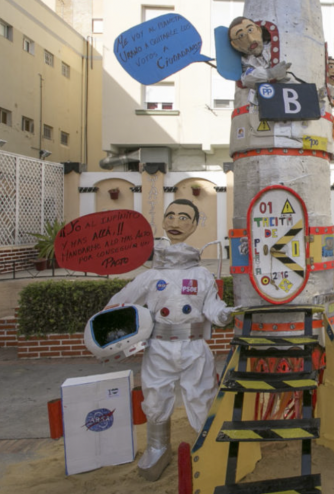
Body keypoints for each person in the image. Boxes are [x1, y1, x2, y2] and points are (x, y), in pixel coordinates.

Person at [104, 199, 232, 480]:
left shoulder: (201, 275)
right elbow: (120, 304)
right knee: (155, 395)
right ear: (163, 221)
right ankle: (157, 446)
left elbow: (212, 306)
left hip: (194, 348)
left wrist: (225, 315)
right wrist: (107, 328)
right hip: (158, 347)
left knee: (202, 396)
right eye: (170, 216)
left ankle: (207, 445)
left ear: (195, 225)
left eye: (184, 217)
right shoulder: (151, 276)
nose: (175, 222)